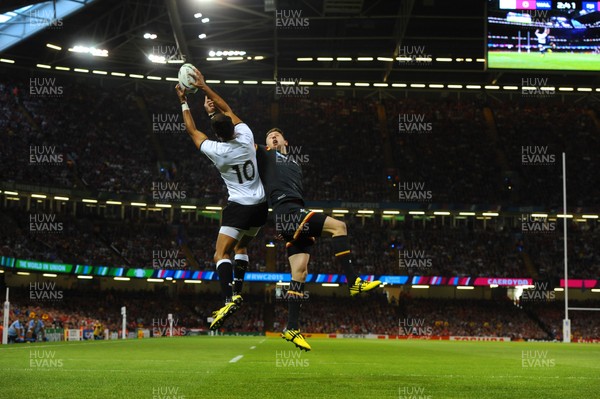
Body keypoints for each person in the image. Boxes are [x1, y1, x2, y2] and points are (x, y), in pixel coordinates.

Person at [255, 128, 382, 351]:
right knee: (339, 226)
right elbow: (242, 139)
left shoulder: (294, 164)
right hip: (289, 214)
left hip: (293, 218)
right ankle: (353, 281)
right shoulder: (265, 155)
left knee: (300, 272)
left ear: (286, 140)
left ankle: (292, 327)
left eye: (277, 135)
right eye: (269, 137)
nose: (273, 137)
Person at [175, 67, 268, 330]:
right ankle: (237, 290)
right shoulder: (247, 136)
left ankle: (229, 297)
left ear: (217, 135)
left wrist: (183, 100)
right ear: (234, 127)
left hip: (239, 207)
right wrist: (204, 87)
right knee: (240, 248)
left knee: (219, 254)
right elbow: (227, 110)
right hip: (261, 207)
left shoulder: (217, 151)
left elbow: (192, 130)